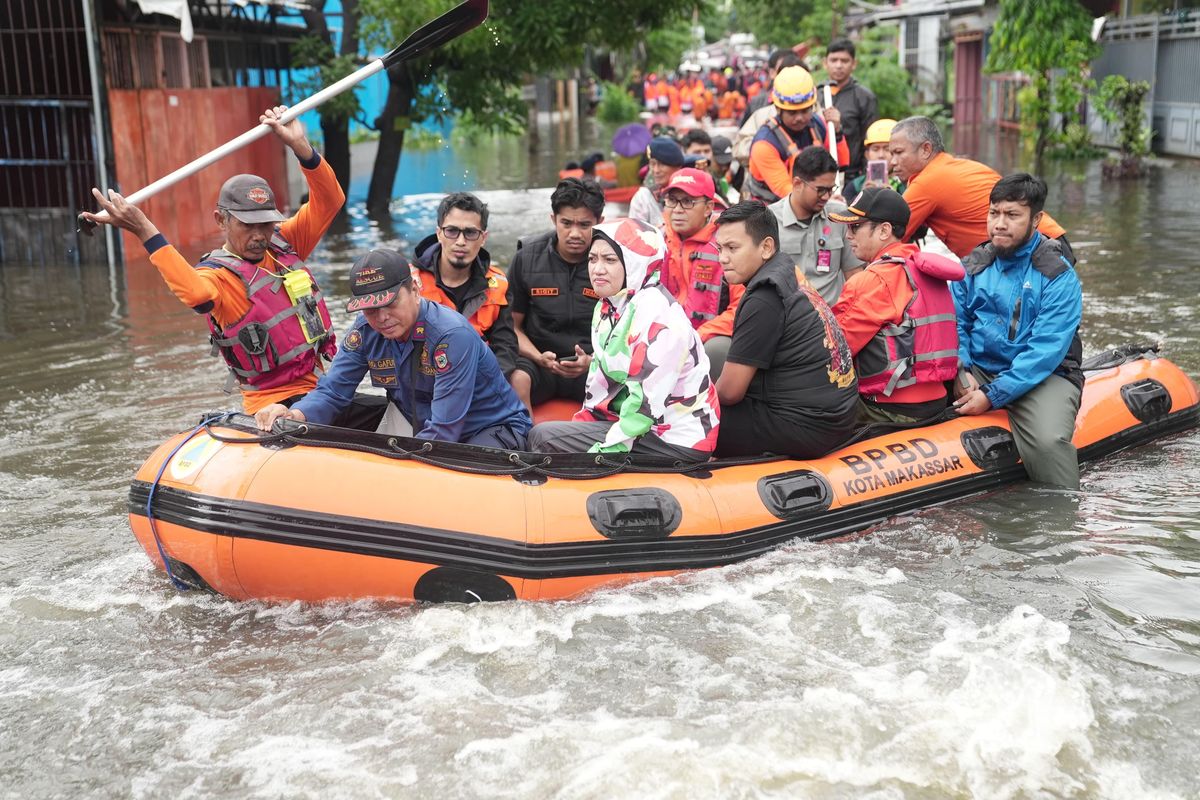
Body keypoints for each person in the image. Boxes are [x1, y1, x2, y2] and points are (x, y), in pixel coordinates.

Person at [81, 107, 365, 411]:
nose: (259, 235)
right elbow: (197, 295)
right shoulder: (218, 277)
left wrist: (300, 147)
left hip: (320, 384)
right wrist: (144, 229)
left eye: (265, 224)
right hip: (270, 403)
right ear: (221, 220)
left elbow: (331, 201)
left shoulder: (284, 243)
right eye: (247, 225)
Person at [255, 249, 531, 448]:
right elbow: (333, 391)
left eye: (390, 303)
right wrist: (294, 415)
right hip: (417, 418)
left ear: (414, 290)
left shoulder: (450, 335)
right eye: (371, 309)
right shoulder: (364, 331)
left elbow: (446, 427)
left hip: (487, 427)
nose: (382, 318)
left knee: (465, 469)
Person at [527, 219, 720, 461]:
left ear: (635, 263)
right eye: (592, 259)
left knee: (543, 438)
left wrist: (597, 454)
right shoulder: (609, 306)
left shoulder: (658, 315)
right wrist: (580, 428)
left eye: (609, 260)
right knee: (547, 436)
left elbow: (645, 405)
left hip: (675, 437)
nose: (597, 269)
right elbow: (599, 385)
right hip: (639, 427)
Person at [951, 174, 1083, 488]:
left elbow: (1044, 352)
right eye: (994, 213)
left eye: (1012, 215)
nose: (999, 224)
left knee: (1049, 443)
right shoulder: (973, 264)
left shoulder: (1057, 275)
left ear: (1036, 219)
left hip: (1046, 376)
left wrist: (992, 396)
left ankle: (1061, 523)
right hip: (979, 370)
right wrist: (961, 369)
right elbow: (955, 323)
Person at [712, 202, 859, 458]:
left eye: (733, 248)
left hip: (809, 426)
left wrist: (685, 399)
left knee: (688, 421)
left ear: (766, 247)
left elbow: (729, 393)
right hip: (838, 414)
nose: (723, 257)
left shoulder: (763, 298)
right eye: (720, 248)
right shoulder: (786, 270)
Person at [829, 188, 964, 424]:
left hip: (888, 408)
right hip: (936, 401)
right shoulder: (925, 271)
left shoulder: (872, 280)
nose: (848, 235)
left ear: (884, 230)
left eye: (855, 227)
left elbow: (833, 352)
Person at [889, 116, 1071, 259]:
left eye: (899, 153)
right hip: (1050, 241)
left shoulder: (927, 182)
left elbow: (885, 237)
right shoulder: (953, 166)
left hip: (1038, 249)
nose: (892, 162)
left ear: (926, 149)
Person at [507, 178, 605, 408]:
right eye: (566, 223)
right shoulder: (527, 258)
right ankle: (523, 443)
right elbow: (512, 326)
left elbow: (626, 332)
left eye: (584, 225)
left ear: (600, 222)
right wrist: (537, 357)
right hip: (540, 363)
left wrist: (592, 361)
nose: (575, 233)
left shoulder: (614, 261)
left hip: (594, 365)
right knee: (517, 379)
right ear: (553, 219)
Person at [412, 192, 518, 383]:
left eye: (470, 233)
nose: (461, 241)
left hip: (479, 382)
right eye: (452, 231)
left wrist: (485, 385)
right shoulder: (411, 283)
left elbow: (505, 347)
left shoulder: (499, 284)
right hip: (424, 384)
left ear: (483, 237)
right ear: (439, 234)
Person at [659, 168, 746, 378]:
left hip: (708, 338)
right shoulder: (657, 241)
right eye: (672, 201)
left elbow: (742, 309)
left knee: (717, 349)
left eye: (688, 202)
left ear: (708, 207)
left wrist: (699, 335)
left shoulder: (728, 245)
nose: (678, 210)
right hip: (665, 336)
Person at [769, 146, 862, 305]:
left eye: (831, 189)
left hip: (833, 319)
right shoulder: (769, 220)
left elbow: (854, 274)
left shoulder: (839, 217)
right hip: (788, 320)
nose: (827, 196)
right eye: (820, 190)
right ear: (797, 184)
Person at [744, 66, 849, 204]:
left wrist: (837, 131)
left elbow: (841, 164)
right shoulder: (764, 144)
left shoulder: (819, 125)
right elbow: (785, 191)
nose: (799, 118)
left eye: (805, 111)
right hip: (771, 213)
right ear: (778, 109)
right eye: (792, 113)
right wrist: (827, 200)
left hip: (815, 202)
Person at [820, 39, 878, 183]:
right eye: (834, 60)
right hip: (818, 174)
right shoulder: (815, 94)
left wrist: (868, 178)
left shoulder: (864, 97)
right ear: (825, 63)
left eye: (844, 61)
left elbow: (871, 141)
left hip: (852, 175)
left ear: (854, 64)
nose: (839, 65)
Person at [629, 136, 685, 227]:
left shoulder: (691, 195)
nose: (656, 170)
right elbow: (635, 233)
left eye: (662, 164)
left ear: (677, 167)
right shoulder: (644, 198)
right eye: (652, 164)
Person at [842, 118, 904, 199]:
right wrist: (862, 196)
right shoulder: (855, 186)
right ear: (867, 155)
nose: (881, 155)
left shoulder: (907, 184)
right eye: (875, 149)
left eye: (887, 149)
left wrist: (894, 197)